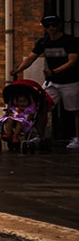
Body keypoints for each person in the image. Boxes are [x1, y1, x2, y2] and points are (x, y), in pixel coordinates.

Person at [35, 14, 79, 147]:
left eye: (54, 24)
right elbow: (31, 57)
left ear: (59, 25)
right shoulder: (44, 42)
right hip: (52, 82)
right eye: (48, 25)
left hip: (70, 81)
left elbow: (72, 62)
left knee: (75, 110)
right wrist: (18, 69)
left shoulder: (70, 41)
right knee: (41, 106)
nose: (51, 28)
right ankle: (39, 136)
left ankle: (77, 138)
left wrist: (55, 71)